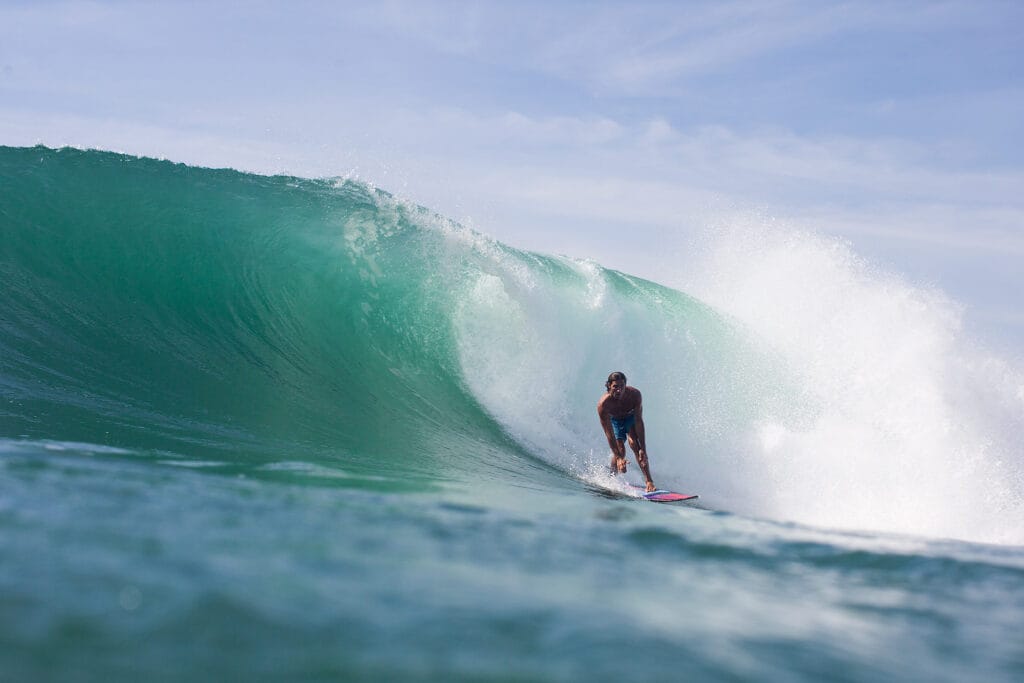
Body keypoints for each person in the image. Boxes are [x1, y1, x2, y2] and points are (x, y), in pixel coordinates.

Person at [597, 371, 656, 492]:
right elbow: (609, 433)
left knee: (635, 445)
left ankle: (649, 481)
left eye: (622, 386)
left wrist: (643, 449)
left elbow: (639, 422)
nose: (619, 390)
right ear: (609, 386)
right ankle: (611, 478)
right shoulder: (604, 404)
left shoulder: (635, 395)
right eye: (615, 387)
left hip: (631, 418)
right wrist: (618, 457)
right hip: (615, 421)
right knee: (620, 451)